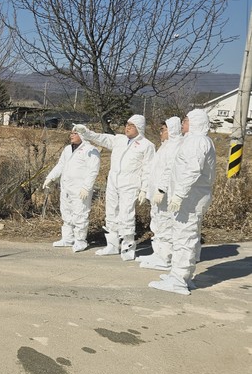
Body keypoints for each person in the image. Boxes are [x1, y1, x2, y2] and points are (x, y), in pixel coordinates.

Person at [149, 109, 216, 295]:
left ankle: (179, 280)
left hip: (190, 198)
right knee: (184, 236)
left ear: (195, 122)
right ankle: (181, 276)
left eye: (186, 120)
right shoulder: (193, 140)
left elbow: (192, 170)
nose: (183, 123)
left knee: (184, 237)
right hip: (190, 197)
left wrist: (179, 194)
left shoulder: (197, 141)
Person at [72, 115, 155, 261]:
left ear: (139, 127)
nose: (127, 127)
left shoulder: (147, 146)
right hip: (113, 182)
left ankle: (128, 247)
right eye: (127, 124)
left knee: (126, 215)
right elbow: (101, 138)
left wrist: (144, 189)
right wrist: (85, 132)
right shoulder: (119, 140)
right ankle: (112, 244)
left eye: (131, 125)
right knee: (111, 213)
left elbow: (148, 168)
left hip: (130, 184)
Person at [42, 129, 100, 252]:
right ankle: (68, 238)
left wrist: (86, 187)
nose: (71, 135)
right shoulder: (67, 149)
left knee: (80, 214)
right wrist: (50, 177)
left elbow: (93, 171)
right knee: (66, 213)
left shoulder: (91, 150)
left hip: (80, 189)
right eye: (71, 133)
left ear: (82, 135)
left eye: (75, 133)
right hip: (66, 188)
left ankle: (80, 241)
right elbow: (61, 165)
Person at [137, 117, 183, 271]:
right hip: (156, 194)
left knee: (165, 224)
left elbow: (169, 170)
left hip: (165, 194)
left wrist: (162, 189)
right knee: (157, 223)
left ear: (172, 130)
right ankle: (158, 253)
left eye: (163, 130)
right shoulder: (165, 146)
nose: (161, 133)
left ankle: (165, 257)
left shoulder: (176, 146)